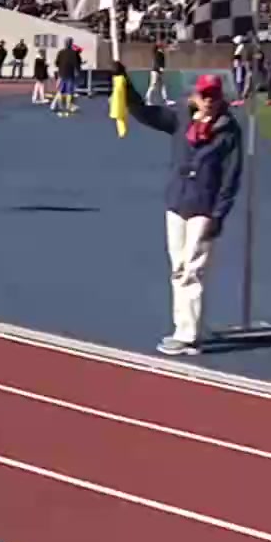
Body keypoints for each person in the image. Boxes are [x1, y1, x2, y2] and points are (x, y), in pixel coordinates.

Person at [111, 62, 244, 356]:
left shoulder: (228, 131)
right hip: (177, 202)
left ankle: (189, 335)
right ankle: (182, 326)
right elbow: (146, 113)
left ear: (220, 98)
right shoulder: (182, 120)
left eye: (213, 95)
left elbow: (232, 176)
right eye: (204, 94)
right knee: (178, 269)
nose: (208, 99)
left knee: (192, 270)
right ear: (195, 96)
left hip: (204, 206)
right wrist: (124, 82)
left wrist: (218, 215)